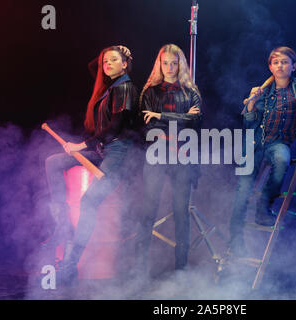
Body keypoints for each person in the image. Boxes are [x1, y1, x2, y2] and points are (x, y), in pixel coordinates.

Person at [228, 46, 296, 256]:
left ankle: (263, 207)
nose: (280, 66)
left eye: (285, 62)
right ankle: (235, 243)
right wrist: (251, 104)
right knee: (242, 193)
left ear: (293, 66)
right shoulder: (261, 91)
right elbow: (248, 122)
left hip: (279, 142)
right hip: (254, 144)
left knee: (282, 160)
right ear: (270, 67)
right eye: (276, 62)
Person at [44, 45, 139, 285]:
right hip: (101, 149)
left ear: (125, 64)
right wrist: (111, 50)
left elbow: (116, 127)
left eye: (114, 60)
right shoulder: (109, 88)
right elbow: (92, 66)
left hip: (118, 153)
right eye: (105, 61)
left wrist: (81, 145)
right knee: (53, 162)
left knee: (88, 202)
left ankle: (70, 265)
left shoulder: (126, 88)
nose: (106, 64)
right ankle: (63, 223)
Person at [134, 44, 201, 275]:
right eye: (166, 63)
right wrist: (179, 120)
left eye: (175, 63)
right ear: (159, 64)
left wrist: (162, 117)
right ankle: (138, 268)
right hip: (156, 154)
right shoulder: (149, 91)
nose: (170, 67)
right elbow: (147, 126)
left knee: (181, 211)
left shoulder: (191, 92)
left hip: (184, 155)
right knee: (148, 210)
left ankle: (180, 269)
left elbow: (194, 124)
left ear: (181, 64)